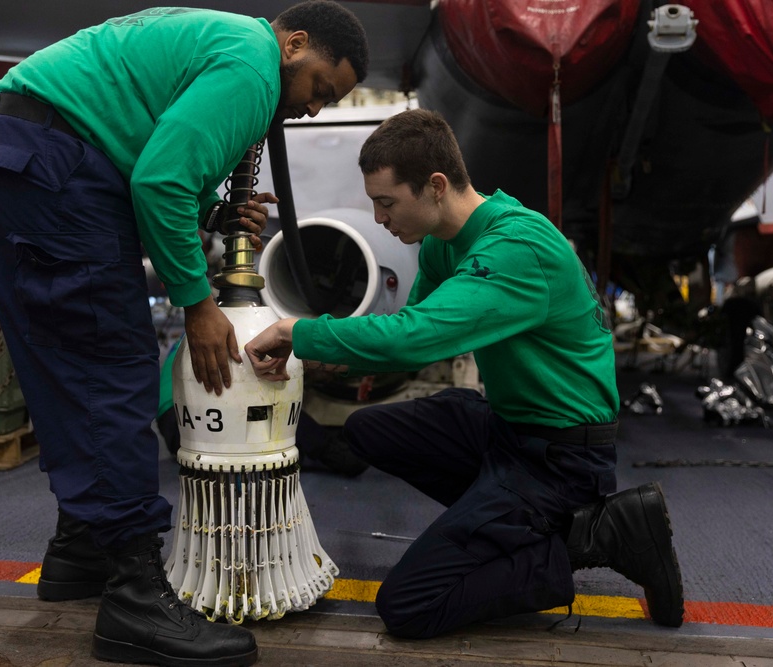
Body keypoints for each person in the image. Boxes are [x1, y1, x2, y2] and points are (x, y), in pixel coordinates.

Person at [0, 3, 369, 665]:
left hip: (24, 157)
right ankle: (134, 596)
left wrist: (215, 211)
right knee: (112, 369)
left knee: (73, 368)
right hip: (56, 167)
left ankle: (81, 549)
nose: (314, 108)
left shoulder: (227, 41)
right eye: (320, 88)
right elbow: (159, 181)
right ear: (294, 44)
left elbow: (151, 153)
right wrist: (197, 303)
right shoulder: (254, 66)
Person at [245, 109, 684, 639]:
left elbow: (415, 337)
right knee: (365, 431)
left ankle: (597, 535)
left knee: (409, 606)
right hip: (506, 426)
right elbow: (410, 340)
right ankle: (505, 522)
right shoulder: (442, 242)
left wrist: (297, 331)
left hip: (562, 458)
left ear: (435, 186)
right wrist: (316, 359)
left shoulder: (515, 247)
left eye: (387, 202)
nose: (379, 218)